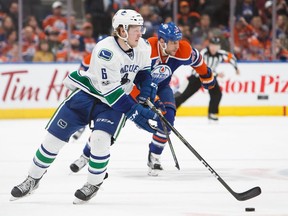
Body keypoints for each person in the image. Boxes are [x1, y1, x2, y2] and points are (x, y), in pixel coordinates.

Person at [10, 9, 160, 204]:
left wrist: (147, 86)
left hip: (112, 104)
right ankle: (32, 179)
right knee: (52, 140)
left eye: (141, 28)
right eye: (135, 29)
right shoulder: (105, 50)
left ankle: (94, 183)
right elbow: (111, 93)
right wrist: (136, 113)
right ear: (121, 30)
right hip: (89, 96)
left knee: (99, 139)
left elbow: (143, 71)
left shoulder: (143, 46)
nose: (140, 33)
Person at [69, 22, 216, 176]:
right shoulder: (145, 49)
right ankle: (85, 156)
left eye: (178, 41)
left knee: (168, 118)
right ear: (161, 41)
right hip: (132, 87)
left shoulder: (183, 50)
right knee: (107, 124)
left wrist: (207, 76)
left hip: (162, 87)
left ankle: (154, 157)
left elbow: (198, 60)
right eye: (173, 42)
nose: (177, 46)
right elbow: (128, 77)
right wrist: (143, 96)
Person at [175, 37, 240, 121]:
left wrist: (236, 68)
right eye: (212, 45)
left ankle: (212, 113)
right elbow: (203, 68)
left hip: (210, 77)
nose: (214, 48)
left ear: (219, 47)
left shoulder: (221, 54)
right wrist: (217, 74)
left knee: (217, 94)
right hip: (196, 77)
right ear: (209, 45)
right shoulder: (203, 53)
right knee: (183, 95)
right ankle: (169, 110)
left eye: (216, 46)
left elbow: (231, 58)